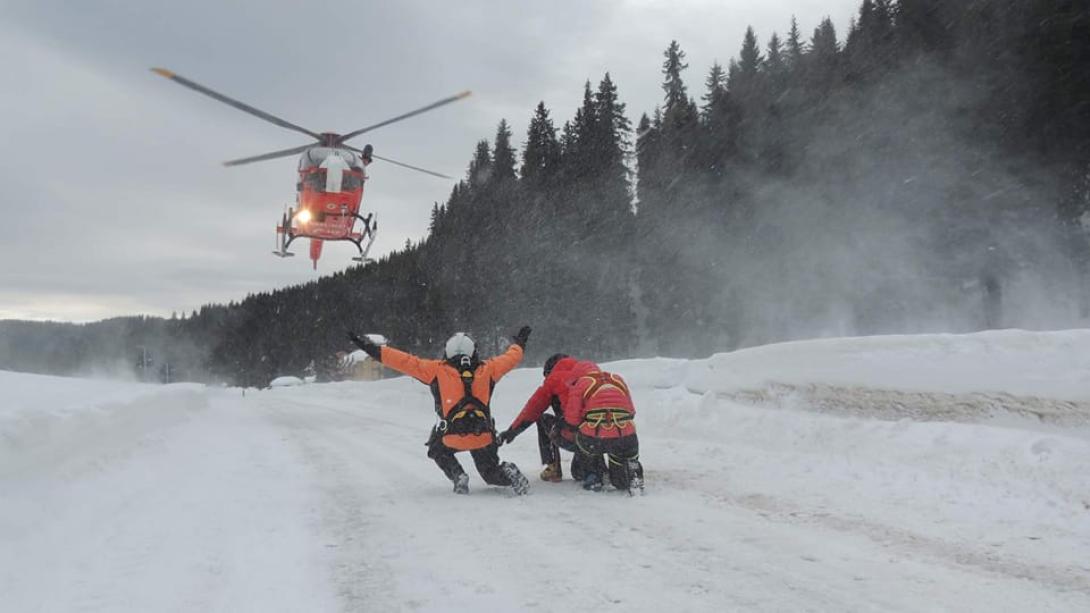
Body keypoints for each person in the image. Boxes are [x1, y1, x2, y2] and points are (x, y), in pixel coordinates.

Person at [348, 326, 532, 495]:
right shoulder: (490, 369)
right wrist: (519, 344)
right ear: (474, 350)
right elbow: (512, 358)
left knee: (436, 448)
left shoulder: (435, 370)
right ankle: (506, 473)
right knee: (490, 473)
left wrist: (370, 348)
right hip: (483, 436)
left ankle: (457, 475)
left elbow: (402, 361)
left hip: (451, 436)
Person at [499, 354, 644, 493]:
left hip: (588, 437)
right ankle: (623, 472)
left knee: (546, 421)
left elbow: (533, 409)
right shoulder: (602, 376)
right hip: (622, 434)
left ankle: (558, 468)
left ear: (549, 370)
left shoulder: (556, 379)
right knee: (617, 471)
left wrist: (513, 431)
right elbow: (630, 411)